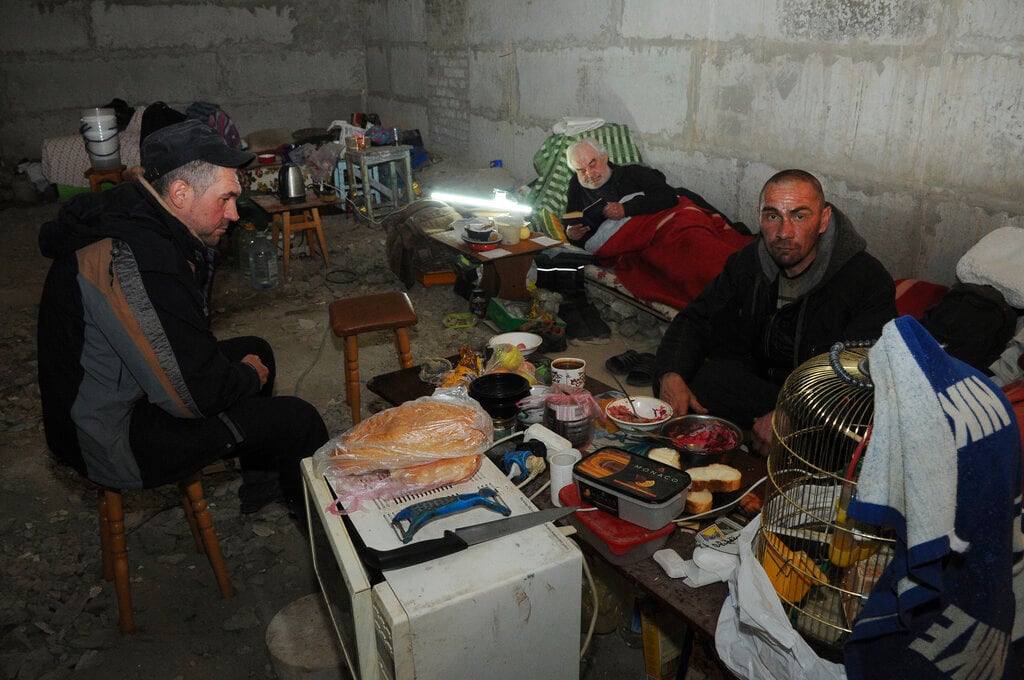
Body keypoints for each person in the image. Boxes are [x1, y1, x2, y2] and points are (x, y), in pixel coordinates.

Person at [37, 119, 329, 518]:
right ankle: (327, 543)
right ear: (179, 193)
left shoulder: (138, 214)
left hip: (117, 393)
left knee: (255, 349)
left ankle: (265, 485)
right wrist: (244, 378)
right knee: (299, 420)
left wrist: (239, 371)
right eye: (224, 199)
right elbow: (192, 397)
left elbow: (181, 340)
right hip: (108, 434)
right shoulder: (140, 260)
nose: (232, 214)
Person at [654, 169, 896, 455]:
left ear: (824, 220)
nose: (784, 232)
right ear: (760, 217)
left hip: (820, 402)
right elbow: (696, 319)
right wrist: (671, 374)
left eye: (799, 216)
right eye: (772, 216)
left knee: (854, 435)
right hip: (759, 388)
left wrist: (791, 414)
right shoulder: (748, 263)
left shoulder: (866, 279)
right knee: (691, 383)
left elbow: (863, 371)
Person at [563, 138, 678, 247]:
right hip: (608, 248)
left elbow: (668, 195)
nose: (589, 174)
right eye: (581, 170)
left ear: (604, 158)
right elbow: (571, 217)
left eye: (592, 164)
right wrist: (570, 233)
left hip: (649, 237)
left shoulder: (633, 173)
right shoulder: (576, 184)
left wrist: (626, 209)